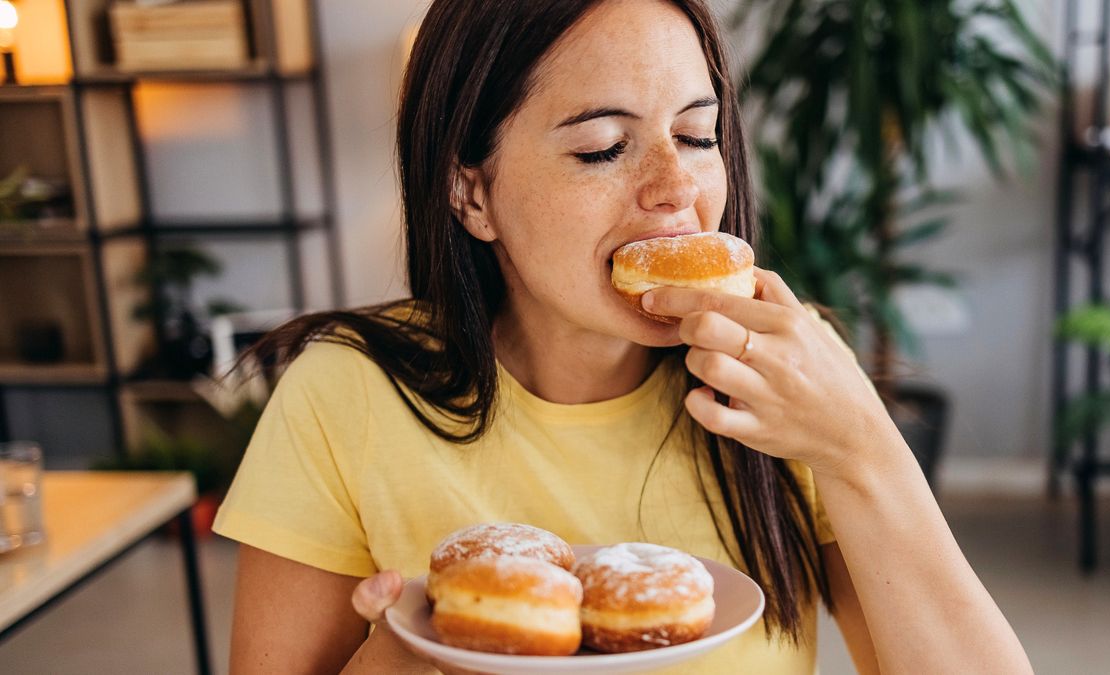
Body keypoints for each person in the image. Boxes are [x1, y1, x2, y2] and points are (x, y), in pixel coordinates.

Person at [214, 1, 1033, 673]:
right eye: (603, 147)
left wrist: (859, 446)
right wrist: (405, 656)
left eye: (698, 135)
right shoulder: (344, 394)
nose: (676, 189)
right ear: (472, 194)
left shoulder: (787, 375)